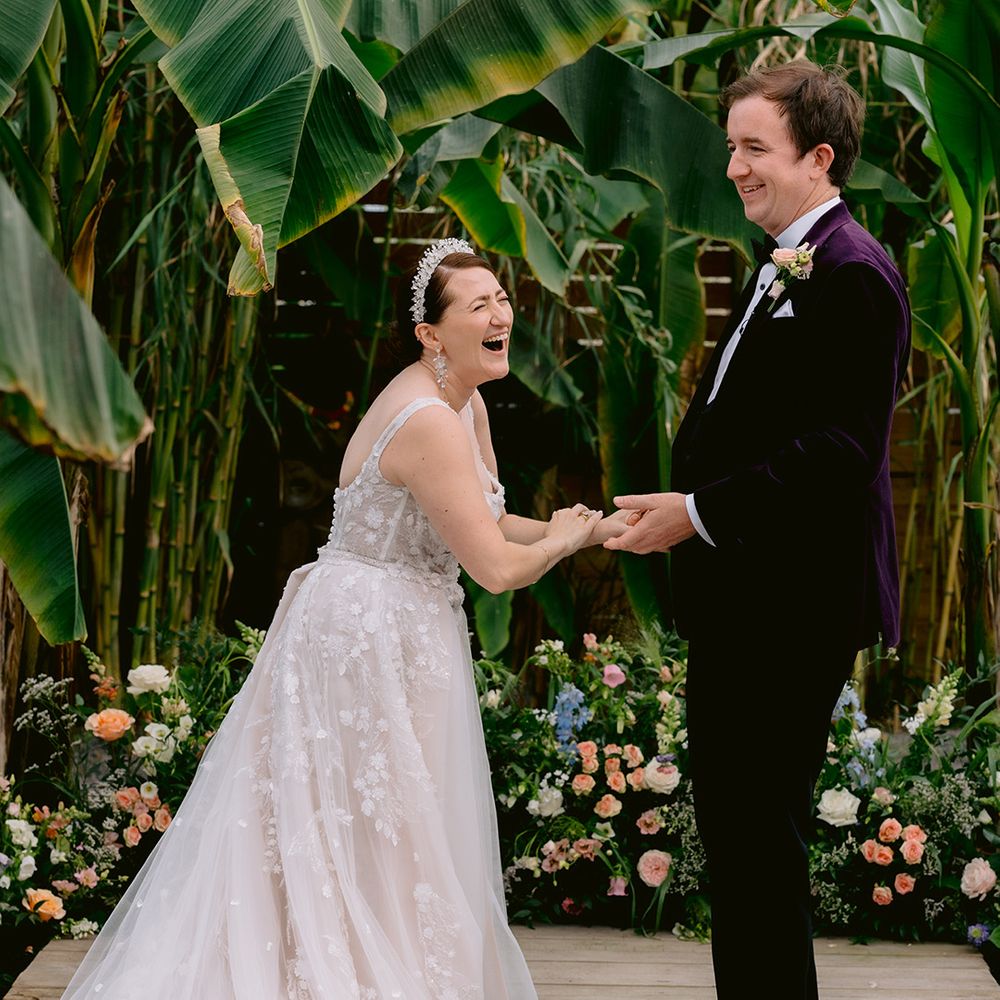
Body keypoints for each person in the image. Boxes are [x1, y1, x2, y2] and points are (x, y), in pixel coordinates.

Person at [63, 238, 628, 1000]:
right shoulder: (428, 418)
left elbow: (485, 519)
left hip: (405, 621)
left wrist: (581, 528)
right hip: (369, 629)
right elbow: (494, 568)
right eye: (478, 305)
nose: (501, 316)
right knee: (375, 816)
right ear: (431, 334)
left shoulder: (467, 403)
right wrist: (562, 541)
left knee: (394, 815)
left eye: (503, 300)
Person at [605, 63, 911, 999]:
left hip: (794, 603)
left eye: (753, 149)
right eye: (729, 147)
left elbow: (839, 450)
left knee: (754, 831)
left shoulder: (851, 273)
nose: (733, 168)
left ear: (818, 158)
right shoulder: (784, 256)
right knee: (738, 832)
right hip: (751, 594)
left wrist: (696, 513)